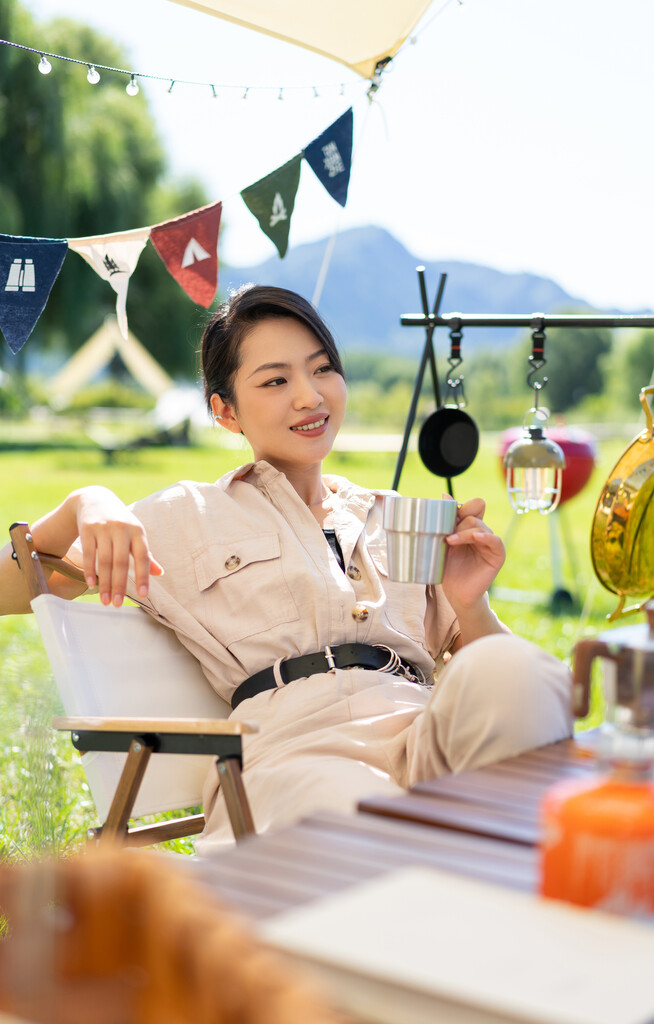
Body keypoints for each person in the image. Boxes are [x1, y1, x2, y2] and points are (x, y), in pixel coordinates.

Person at [0, 285, 573, 851]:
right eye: (275, 380)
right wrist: (85, 503)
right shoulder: (185, 516)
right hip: (298, 753)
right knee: (358, 814)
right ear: (225, 411)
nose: (309, 396)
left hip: (424, 733)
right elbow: (18, 585)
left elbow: (503, 693)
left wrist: (471, 602)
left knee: (518, 670)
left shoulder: (396, 515)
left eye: (322, 369)